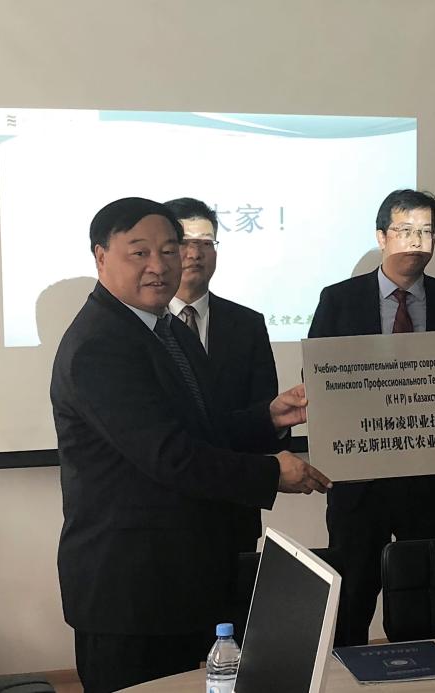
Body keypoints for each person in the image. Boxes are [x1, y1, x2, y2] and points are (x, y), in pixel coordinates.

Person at [51, 197, 331, 693]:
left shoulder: (164, 329)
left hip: (182, 578)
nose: (159, 266)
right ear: (101, 257)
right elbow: (170, 456)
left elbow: (201, 427)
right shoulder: (100, 345)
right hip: (132, 590)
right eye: (139, 252)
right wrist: (271, 474)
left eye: (169, 250)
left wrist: (268, 417)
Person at [308, 189, 435, 646]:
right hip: (359, 485)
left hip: (430, 484)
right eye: (404, 231)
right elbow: (316, 377)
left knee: (426, 608)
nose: (415, 241)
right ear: (381, 237)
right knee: (351, 605)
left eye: (426, 232)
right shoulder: (338, 300)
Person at [165, 196, 279, 552]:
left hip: (234, 514)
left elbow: (264, 416)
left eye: (206, 243)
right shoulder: (143, 327)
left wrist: (277, 421)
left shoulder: (247, 325)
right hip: (165, 517)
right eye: (184, 242)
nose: (195, 253)